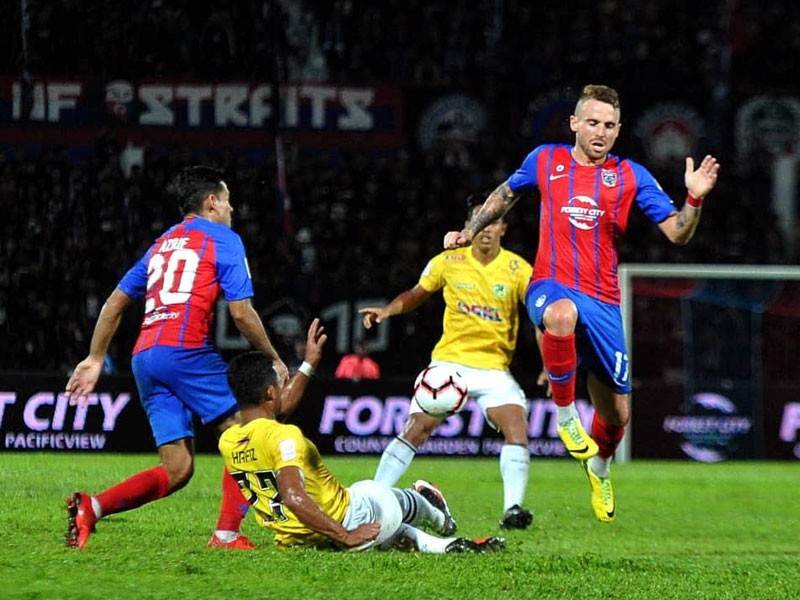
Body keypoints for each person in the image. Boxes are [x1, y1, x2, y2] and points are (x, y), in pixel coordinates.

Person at [443, 84, 720, 523]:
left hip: (605, 303)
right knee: (560, 314)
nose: (601, 132)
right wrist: (470, 230)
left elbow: (678, 232)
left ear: (618, 130)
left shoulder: (630, 175)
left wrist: (694, 197)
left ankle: (600, 466)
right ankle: (566, 416)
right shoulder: (545, 160)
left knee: (618, 416)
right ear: (574, 123)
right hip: (551, 284)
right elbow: (504, 194)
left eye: (609, 125)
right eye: (592, 122)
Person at [64, 166, 289, 549]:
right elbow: (241, 312)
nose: (233, 210)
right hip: (184, 350)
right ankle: (227, 534)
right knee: (249, 426)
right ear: (212, 202)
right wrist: (273, 358)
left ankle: (93, 507)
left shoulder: (162, 243)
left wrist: (95, 357)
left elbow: (115, 302)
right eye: (229, 201)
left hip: (145, 358)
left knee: (178, 469)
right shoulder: (225, 239)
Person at [220, 318, 504, 554]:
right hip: (346, 519)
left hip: (298, 541)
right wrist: (345, 535)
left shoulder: (229, 441)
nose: (285, 388)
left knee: (376, 510)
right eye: (280, 386)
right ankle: (438, 516)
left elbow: (273, 415)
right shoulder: (285, 436)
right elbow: (293, 495)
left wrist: (308, 365)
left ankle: (445, 545)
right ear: (270, 393)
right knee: (379, 493)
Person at [360, 195, 536, 530]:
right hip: (449, 365)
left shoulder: (518, 269)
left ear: (503, 228)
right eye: (478, 222)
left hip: (494, 369)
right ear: (470, 228)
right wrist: (387, 310)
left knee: (517, 427)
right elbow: (416, 293)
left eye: (492, 222)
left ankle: (513, 508)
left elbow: (539, 316)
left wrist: (549, 363)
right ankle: (375, 498)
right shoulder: (449, 261)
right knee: (417, 428)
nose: (485, 229)